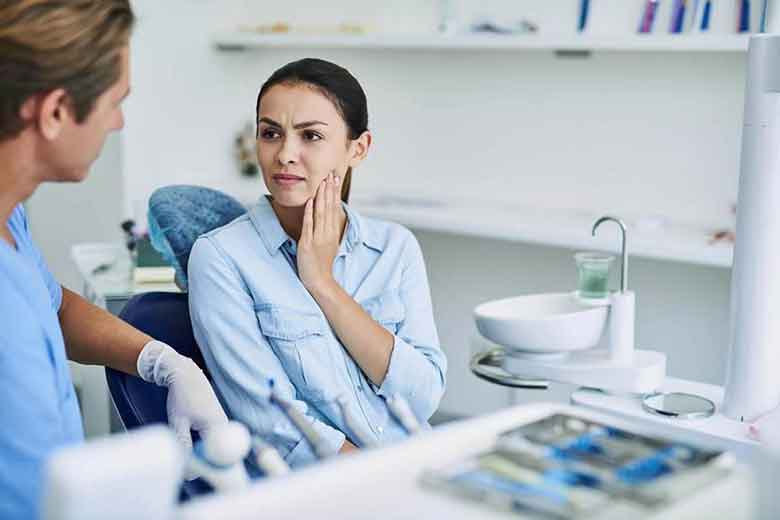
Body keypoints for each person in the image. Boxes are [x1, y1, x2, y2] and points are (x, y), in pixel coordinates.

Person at [0, 2, 227, 517]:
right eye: (114, 102)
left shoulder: (9, 219)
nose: (119, 123)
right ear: (56, 111)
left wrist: (165, 362)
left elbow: (54, 308)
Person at [187, 58, 447, 469]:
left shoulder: (395, 248)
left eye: (311, 136)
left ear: (357, 149)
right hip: (324, 488)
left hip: (417, 466)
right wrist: (376, 481)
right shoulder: (221, 257)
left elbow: (424, 396)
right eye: (270, 133)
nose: (285, 154)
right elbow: (270, 421)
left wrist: (322, 283)